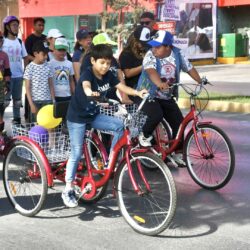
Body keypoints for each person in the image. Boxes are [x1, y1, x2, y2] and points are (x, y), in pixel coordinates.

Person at [62, 44, 147, 208]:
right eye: (102, 62)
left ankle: (110, 160)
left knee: (120, 126)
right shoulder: (88, 72)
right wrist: (89, 92)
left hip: (93, 115)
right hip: (77, 117)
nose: (105, 66)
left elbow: (121, 87)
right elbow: (86, 85)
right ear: (93, 61)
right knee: (77, 152)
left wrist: (137, 92)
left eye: (108, 63)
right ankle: (68, 188)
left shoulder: (108, 75)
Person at [136, 30, 202, 164]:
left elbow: (189, 68)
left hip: (166, 95)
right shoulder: (150, 55)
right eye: (153, 46)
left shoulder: (178, 53)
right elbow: (151, 71)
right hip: (148, 94)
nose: (154, 49)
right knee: (156, 114)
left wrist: (200, 81)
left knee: (179, 122)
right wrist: (159, 83)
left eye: (158, 46)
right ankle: (144, 135)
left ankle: (177, 153)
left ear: (168, 47)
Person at [81, 32, 131, 103]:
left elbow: (120, 77)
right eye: (106, 45)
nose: (109, 47)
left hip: (112, 98)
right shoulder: (88, 59)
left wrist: (125, 97)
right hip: (97, 101)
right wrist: (92, 96)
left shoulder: (111, 58)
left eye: (109, 45)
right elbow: (85, 81)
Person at [2, 15, 29, 124]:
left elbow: (25, 57)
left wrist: (26, 72)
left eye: (17, 25)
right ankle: (1, 122)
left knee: (17, 101)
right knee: (5, 101)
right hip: (6, 77)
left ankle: (17, 121)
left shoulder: (19, 41)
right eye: (13, 25)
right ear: (7, 27)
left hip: (18, 76)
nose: (16, 27)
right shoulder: (2, 41)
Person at [24, 41, 55, 122]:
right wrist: (31, 104)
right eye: (43, 54)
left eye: (47, 54)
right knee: (36, 125)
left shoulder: (48, 66)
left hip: (48, 101)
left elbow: (51, 85)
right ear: (35, 54)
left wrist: (53, 100)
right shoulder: (30, 68)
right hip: (35, 101)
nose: (46, 57)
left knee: (48, 123)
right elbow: (27, 88)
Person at [24, 17, 47, 122]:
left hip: (44, 69)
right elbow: (26, 55)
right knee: (30, 92)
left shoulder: (45, 38)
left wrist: (43, 62)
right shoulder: (29, 39)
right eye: (39, 25)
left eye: (43, 25)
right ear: (34, 26)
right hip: (34, 69)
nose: (41, 27)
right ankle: (28, 115)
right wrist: (37, 62)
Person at [119, 26, 151, 99]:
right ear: (134, 40)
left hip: (147, 88)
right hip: (134, 90)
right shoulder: (126, 54)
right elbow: (128, 73)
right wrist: (145, 65)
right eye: (142, 43)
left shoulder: (146, 50)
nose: (143, 46)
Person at [49, 37, 75, 102]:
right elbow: (49, 82)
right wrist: (52, 97)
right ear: (54, 49)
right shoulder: (49, 64)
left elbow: (71, 80)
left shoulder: (69, 64)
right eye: (59, 50)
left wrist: (74, 94)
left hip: (67, 95)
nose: (62, 52)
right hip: (55, 95)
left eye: (64, 50)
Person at [0, 31, 11, 134]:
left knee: (1, 109)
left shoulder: (4, 55)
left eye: (0, 39)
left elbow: (7, 71)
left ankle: (1, 133)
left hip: (1, 84)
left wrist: (7, 84)